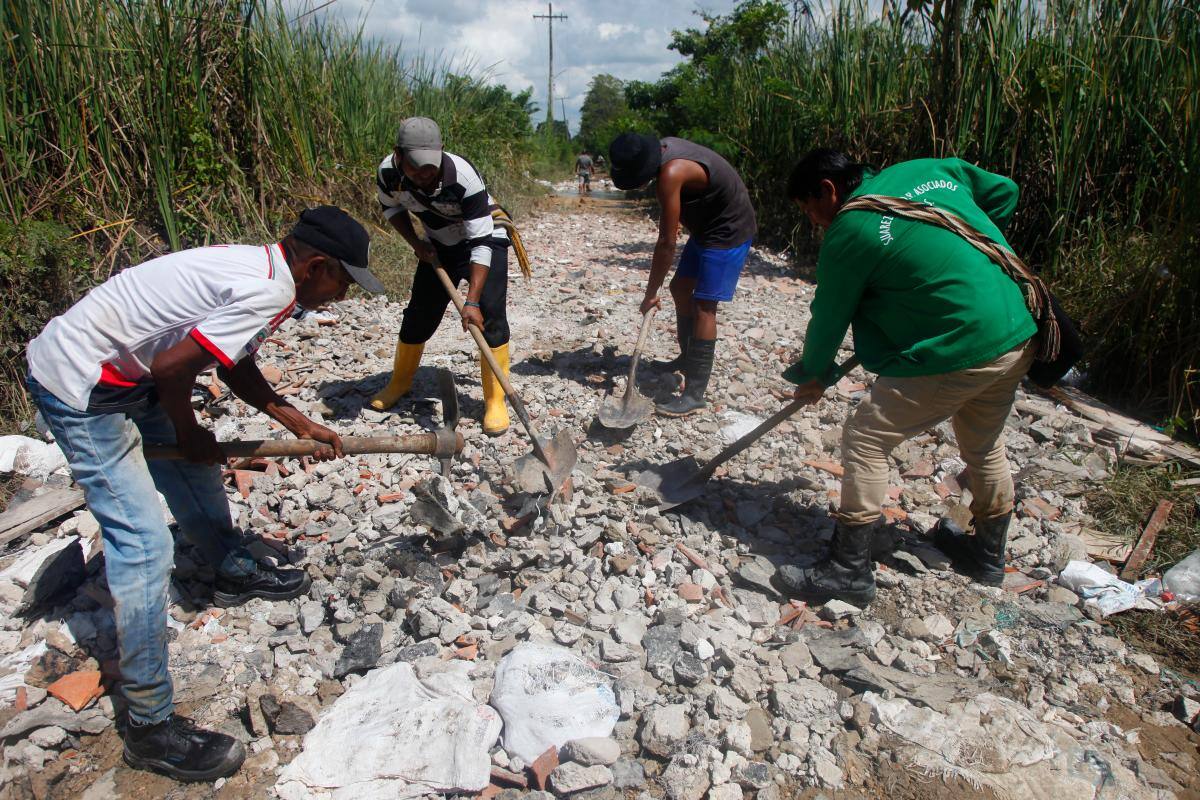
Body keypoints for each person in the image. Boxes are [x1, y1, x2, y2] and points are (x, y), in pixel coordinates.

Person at [25, 206, 384, 781]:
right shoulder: (271, 290)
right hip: (83, 386)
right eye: (342, 282)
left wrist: (297, 423)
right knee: (144, 547)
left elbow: (230, 362)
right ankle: (149, 728)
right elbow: (173, 368)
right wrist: (189, 432)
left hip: (132, 374)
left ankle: (229, 568)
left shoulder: (265, 268)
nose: (341, 296)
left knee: (194, 474)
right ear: (316, 266)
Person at [777, 149, 1038, 607]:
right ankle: (986, 555)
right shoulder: (929, 170)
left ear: (828, 191)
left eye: (809, 209)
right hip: (1018, 329)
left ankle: (848, 570)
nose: (814, 221)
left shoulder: (850, 230)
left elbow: (829, 317)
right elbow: (1004, 192)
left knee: (867, 436)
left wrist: (814, 374)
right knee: (982, 442)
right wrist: (963, 258)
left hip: (964, 344)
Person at [370, 117, 514, 436]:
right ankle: (399, 383)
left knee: (490, 316)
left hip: (486, 238)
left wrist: (472, 301)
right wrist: (416, 243)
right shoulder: (388, 174)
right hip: (438, 244)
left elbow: (480, 242)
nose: (425, 175)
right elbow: (392, 209)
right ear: (398, 154)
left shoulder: (463, 177)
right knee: (419, 315)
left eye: (430, 168)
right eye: (416, 168)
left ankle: (495, 400)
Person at [607, 133, 757, 416]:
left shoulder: (671, 173)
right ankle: (687, 358)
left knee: (704, 306)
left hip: (729, 229)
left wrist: (650, 294)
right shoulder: (663, 152)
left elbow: (667, 242)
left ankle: (694, 394)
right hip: (706, 228)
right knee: (680, 288)